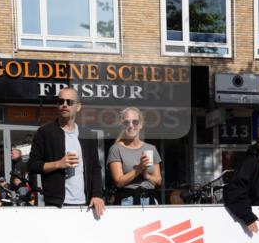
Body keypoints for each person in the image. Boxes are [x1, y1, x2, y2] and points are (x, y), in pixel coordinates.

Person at [27, 86, 105, 217]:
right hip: (57, 206)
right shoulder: (45, 132)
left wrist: (97, 194)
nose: (64, 105)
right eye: (60, 101)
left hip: (85, 205)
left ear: (78, 107)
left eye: (69, 102)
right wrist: (58, 164)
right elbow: (33, 165)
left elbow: (95, 168)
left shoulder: (87, 134)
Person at [107, 107, 162, 205]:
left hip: (150, 199)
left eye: (135, 122)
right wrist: (139, 169)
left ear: (141, 125)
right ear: (122, 125)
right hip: (127, 200)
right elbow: (119, 182)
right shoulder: (116, 149)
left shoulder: (151, 148)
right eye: (126, 122)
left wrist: (147, 176)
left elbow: (158, 181)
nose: (131, 125)